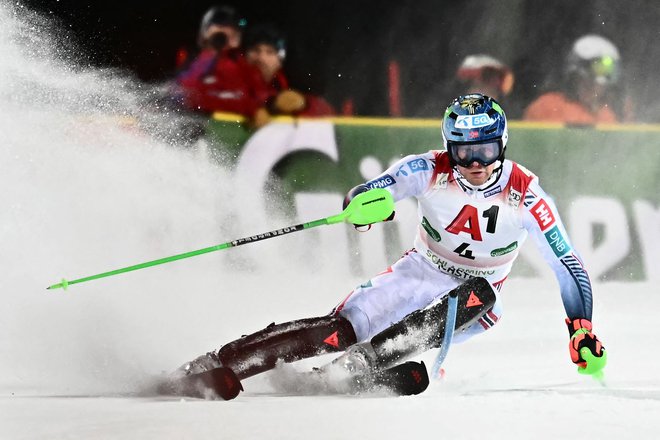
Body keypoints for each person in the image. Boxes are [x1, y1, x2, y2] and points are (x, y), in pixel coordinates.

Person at [173, 94, 606, 399]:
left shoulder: (526, 192)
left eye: (486, 150)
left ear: (503, 144)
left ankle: (361, 366)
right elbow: (370, 191)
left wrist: (580, 328)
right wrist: (365, 207)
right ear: (449, 148)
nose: (476, 164)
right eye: (465, 152)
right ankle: (219, 362)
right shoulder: (428, 168)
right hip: (420, 272)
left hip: (477, 299)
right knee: (337, 330)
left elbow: (565, 261)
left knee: (480, 294)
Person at [242, 23, 335, 127]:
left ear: (280, 59)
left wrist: (304, 104)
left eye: (270, 52)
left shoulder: (284, 82)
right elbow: (225, 100)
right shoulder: (232, 74)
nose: (261, 58)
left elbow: (326, 111)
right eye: (255, 50)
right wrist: (261, 107)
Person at [523, 34, 629, 124]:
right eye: (588, 82)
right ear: (574, 77)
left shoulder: (606, 116)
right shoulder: (547, 106)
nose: (595, 88)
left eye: (600, 85)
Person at [173, 5, 258, 117]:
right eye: (220, 27)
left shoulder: (241, 62)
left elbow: (257, 96)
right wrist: (211, 52)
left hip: (236, 128)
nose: (225, 33)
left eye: (232, 30)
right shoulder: (192, 57)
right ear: (205, 31)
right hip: (199, 124)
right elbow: (184, 94)